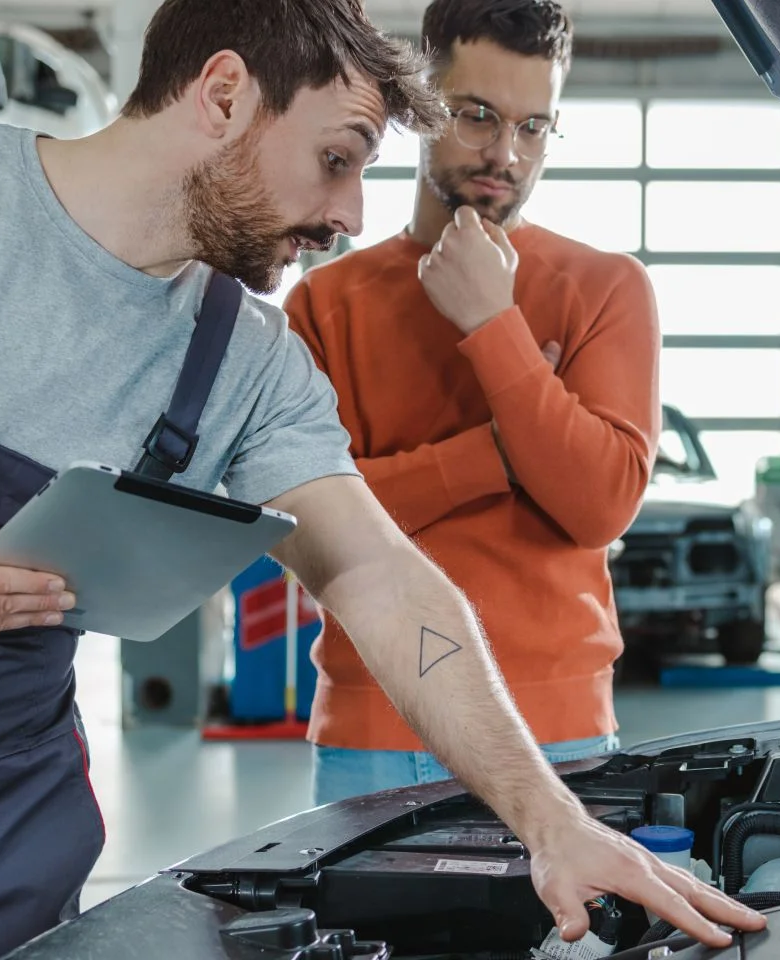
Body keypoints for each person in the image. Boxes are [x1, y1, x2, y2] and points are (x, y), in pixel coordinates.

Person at [0, 1, 761, 956]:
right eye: (335, 158)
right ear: (222, 95)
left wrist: (547, 815)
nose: (350, 217)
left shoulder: (245, 359)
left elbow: (378, 576)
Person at [287, 0, 661, 806]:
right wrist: (499, 452)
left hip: (560, 734)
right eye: (478, 116)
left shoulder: (606, 288)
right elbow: (312, 530)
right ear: (419, 102)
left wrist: (493, 324)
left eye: (535, 128)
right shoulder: (323, 305)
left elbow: (598, 504)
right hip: (374, 731)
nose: (506, 153)